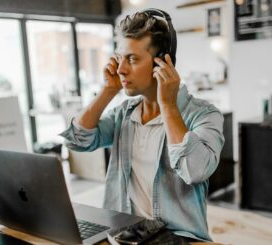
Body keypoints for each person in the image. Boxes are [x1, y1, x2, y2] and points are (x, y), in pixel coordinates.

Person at [60, 9, 224, 242]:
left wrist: (167, 105)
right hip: (123, 236)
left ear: (163, 63)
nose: (120, 69)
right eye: (120, 58)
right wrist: (108, 90)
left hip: (177, 239)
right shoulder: (124, 115)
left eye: (133, 59)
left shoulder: (204, 115)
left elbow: (195, 171)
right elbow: (75, 140)